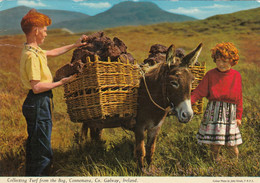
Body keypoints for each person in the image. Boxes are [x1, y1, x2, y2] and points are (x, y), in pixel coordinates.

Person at [20, 9, 87, 176]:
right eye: (44, 30)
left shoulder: (34, 50)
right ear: (36, 30)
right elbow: (36, 87)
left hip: (38, 102)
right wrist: (61, 82)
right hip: (38, 101)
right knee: (42, 149)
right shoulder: (31, 56)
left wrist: (75, 45)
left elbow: (54, 52)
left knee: (35, 145)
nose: (46, 34)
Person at [191, 42, 243, 162]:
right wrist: (190, 102)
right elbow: (200, 91)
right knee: (215, 145)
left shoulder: (236, 76)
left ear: (232, 61)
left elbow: (239, 98)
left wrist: (239, 116)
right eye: (218, 60)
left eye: (224, 61)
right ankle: (213, 165)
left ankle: (233, 166)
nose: (220, 64)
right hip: (214, 113)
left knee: (232, 146)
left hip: (230, 114)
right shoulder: (210, 75)